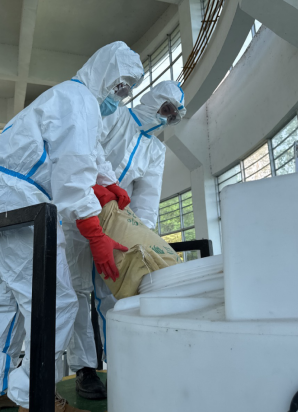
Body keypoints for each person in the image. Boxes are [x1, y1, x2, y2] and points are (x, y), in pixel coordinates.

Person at [0, 41, 144, 412]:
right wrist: (95, 233)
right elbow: (72, 174)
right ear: (103, 72)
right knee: (58, 301)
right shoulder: (80, 100)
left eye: (127, 91)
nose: (120, 97)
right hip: (23, 201)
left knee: (6, 301)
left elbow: (90, 155)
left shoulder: (68, 98)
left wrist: (110, 182)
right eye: (119, 86)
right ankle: (33, 397)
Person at [64, 80, 186, 400]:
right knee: (78, 289)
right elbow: (83, 155)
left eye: (173, 116)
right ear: (153, 99)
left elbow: (147, 197)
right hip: (79, 213)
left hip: (118, 222)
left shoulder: (156, 149)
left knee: (115, 293)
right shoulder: (113, 117)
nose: (166, 118)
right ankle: (85, 368)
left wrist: (139, 237)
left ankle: (119, 363)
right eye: (166, 109)